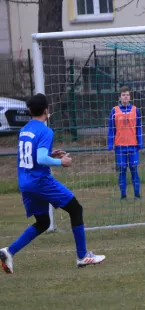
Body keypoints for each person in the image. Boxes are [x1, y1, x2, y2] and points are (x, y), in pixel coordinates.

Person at [0, 94, 105, 274]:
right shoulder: (45, 131)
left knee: (43, 221)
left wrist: (51, 154)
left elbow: (33, 155)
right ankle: (82, 256)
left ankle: (8, 252)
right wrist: (60, 162)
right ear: (46, 110)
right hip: (39, 181)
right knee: (76, 209)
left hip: (24, 182)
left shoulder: (24, 130)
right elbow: (40, 158)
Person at [107, 85, 143, 200]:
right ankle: (123, 195)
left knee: (134, 170)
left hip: (133, 145)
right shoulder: (114, 111)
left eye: (127, 95)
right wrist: (110, 144)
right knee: (122, 170)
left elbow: (139, 127)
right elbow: (111, 128)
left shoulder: (135, 110)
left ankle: (137, 194)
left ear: (130, 97)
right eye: (123, 95)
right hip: (120, 146)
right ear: (120, 97)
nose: (125, 97)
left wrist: (140, 142)